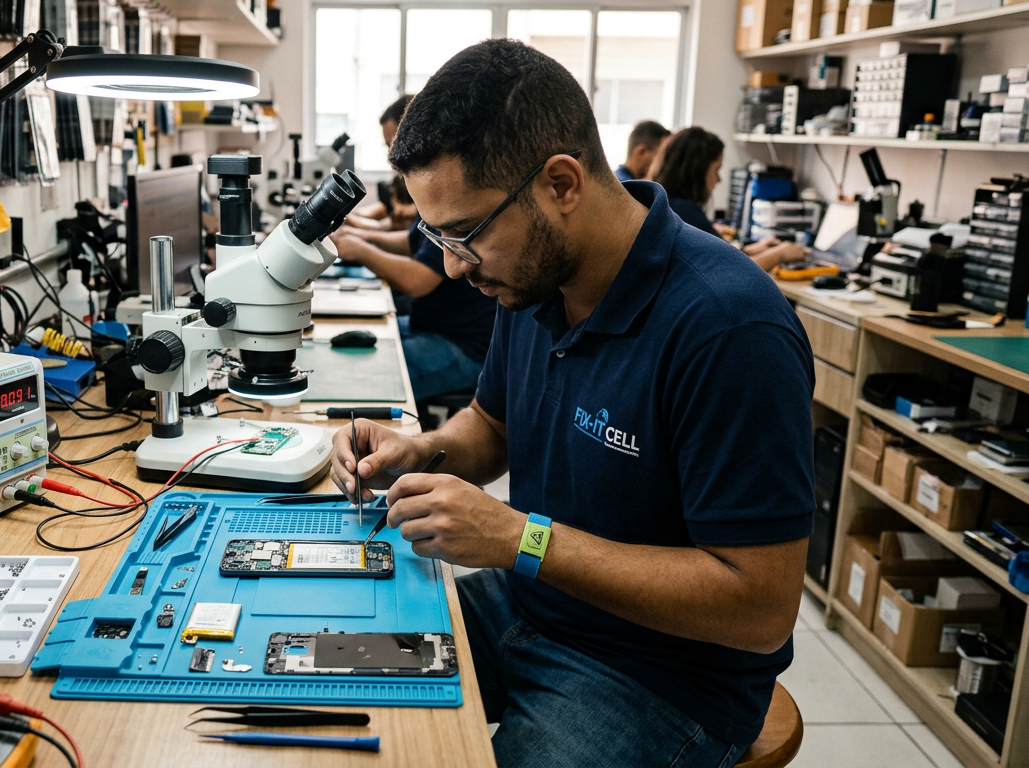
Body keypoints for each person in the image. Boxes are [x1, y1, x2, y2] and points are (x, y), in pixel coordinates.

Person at [332, 39, 813, 768]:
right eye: (440, 237)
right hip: (530, 607)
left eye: (467, 235)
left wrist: (521, 538)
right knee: (315, 671)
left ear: (561, 183)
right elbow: (490, 426)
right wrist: (423, 447)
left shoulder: (729, 328)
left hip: (660, 676)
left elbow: (759, 608)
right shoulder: (528, 279)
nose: (456, 267)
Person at [330, 212, 496, 401]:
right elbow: (411, 242)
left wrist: (361, 250)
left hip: (463, 346)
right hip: (423, 325)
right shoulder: (434, 207)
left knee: (363, 378)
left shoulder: (454, 210)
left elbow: (416, 282)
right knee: (343, 351)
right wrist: (360, 237)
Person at [651, 126, 809, 271]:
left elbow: (715, 256)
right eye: (716, 170)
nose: (718, 180)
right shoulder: (684, 213)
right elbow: (732, 270)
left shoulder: (664, 203)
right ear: (696, 173)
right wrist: (779, 254)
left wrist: (749, 250)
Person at [347, 95, 417, 230]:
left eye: (394, 146)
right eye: (388, 147)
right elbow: (385, 212)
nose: (392, 156)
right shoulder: (401, 180)